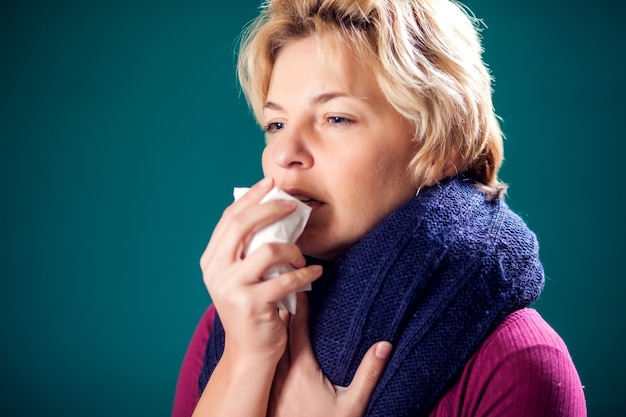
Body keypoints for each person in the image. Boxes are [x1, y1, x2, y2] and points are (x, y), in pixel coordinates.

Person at [172, 0, 587, 416]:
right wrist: (245, 362)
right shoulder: (232, 326)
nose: (285, 154)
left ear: (443, 146)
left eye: (335, 118)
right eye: (276, 124)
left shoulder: (518, 363)